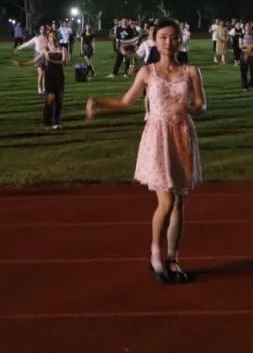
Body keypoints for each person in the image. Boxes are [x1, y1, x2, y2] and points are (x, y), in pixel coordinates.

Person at [86, 20, 205, 284]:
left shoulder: (191, 71)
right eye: (163, 37)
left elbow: (201, 105)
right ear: (154, 39)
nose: (169, 42)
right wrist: (98, 101)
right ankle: (155, 254)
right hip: (158, 138)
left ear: (180, 40)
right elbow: (125, 101)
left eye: (173, 37)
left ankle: (173, 258)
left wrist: (187, 107)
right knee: (166, 201)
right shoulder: (147, 72)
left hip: (182, 137)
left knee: (180, 201)